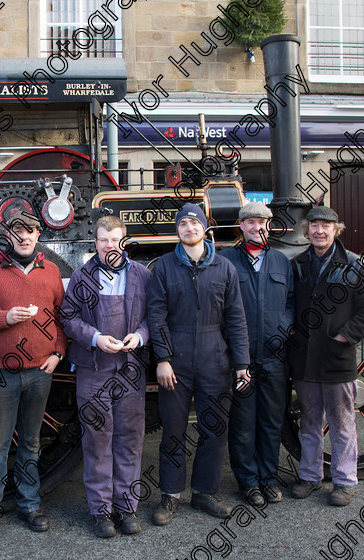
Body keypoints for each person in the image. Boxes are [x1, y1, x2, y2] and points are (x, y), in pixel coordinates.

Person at [0, 208, 67, 541]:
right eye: (18, 230)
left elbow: (63, 317)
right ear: (9, 234)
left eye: (31, 230)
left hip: (39, 372)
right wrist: (4, 319)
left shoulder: (51, 272)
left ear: (39, 235)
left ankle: (29, 504)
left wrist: (58, 353)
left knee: (31, 444)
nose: (24, 236)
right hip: (2, 374)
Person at [146, 202, 250, 525]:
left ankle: (205, 492)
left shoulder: (224, 269)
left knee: (213, 430)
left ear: (204, 229)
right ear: (176, 230)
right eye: (183, 224)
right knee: (173, 431)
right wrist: (162, 359)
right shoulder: (163, 267)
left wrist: (241, 363)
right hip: (176, 361)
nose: (189, 228)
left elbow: (236, 319)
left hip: (214, 359)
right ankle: (171, 494)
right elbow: (156, 316)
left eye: (194, 223)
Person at [61, 216, 151, 538]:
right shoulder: (81, 278)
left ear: (123, 241)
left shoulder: (142, 275)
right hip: (93, 369)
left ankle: (127, 509)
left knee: (129, 440)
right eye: (103, 240)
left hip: (129, 370)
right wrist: (96, 338)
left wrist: (139, 336)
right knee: (98, 441)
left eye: (115, 239)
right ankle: (101, 511)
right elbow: (68, 318)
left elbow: (155, 316)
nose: (110, 245)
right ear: (95, 243)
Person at [287, 206, 364, 507]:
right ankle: (310, 477)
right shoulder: (299, 264)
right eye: (314, 226)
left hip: (337, 360)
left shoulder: (354, 265)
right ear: (307, 230)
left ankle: (344, 481)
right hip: (304, 361)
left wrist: (343, 337)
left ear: (336, 230)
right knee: (309, 422)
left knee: (342, 424)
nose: (319, 231)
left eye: (325, 226)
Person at [219, 202, 294, 507]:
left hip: (273, 358)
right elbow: (219, 306)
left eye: (262, 221)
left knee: (271, 421)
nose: (256, 227)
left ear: (270, 225)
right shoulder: (226, 261)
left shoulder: (281, 262)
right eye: (250, 222)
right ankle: (248, 482)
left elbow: (290, 303)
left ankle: (269, 478)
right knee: (243, 422)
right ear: (241, 226)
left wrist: (282, 328)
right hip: (242, 360)